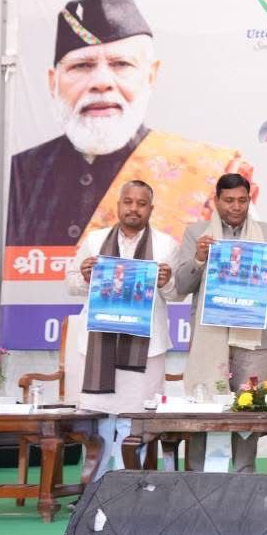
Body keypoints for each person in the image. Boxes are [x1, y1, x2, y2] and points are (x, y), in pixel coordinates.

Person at [7, 0, 251, 248]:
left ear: (150, 75)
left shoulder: (212, 176)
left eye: (121, 64)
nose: (101, 82)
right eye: (81, 66)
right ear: (53, 82)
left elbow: (240, 267)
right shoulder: (15, 175)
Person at [175, 173, 267, 472]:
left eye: (242, 200)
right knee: (204, 404)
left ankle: (244, 475)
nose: (236, 207)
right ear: (216, 201)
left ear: (249, 200)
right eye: (229, 200)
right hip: (209, 334)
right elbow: (181, 285)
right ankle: (198, 476)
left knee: (248, 406)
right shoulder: (196, 233)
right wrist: (199, 259)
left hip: (252, 335)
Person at [65, 180, 179, 479]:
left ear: (151, 209)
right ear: (118, 205)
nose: (134, 208)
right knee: (100, 420)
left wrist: (167, 281)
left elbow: (178, 293)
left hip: (146, 346)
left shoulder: (166, 244)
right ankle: (95, 489)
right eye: (128, 202)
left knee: (136, 422)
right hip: (99, 345)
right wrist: (85, 276)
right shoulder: (95, 240)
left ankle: (129, 487)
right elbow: (71, 284)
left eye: (141, 203)